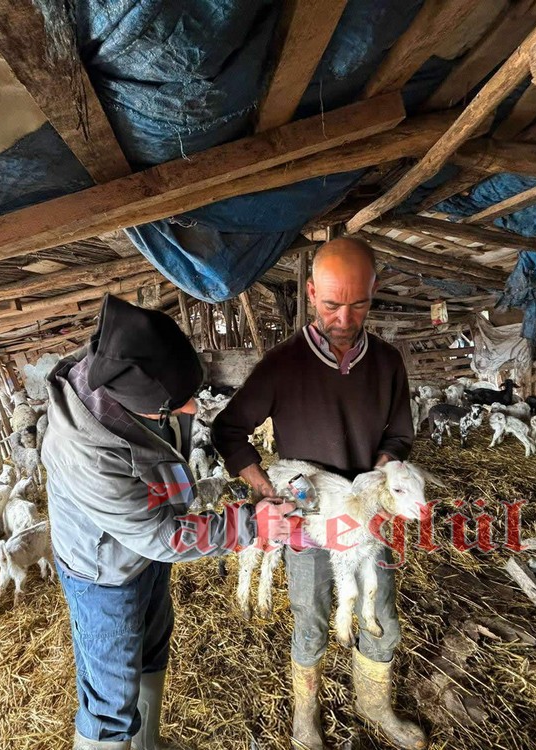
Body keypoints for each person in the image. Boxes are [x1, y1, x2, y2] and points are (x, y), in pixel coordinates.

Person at [42, 294, 293, 750]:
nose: (193, 410)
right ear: (134, 403)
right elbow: (160, 537)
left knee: (153, 648)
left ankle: (147, 744)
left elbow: (159, 530)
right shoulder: (86, 452)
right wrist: (251, 524)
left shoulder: (130, 366)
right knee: (111, 697)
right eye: (173, 406)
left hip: (150, 549)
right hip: (105, 574)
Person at [212, 238, 426, 749]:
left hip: (368, 518)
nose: (344, 319)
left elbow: (400, 435)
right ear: (310, 293)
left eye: (359, 304)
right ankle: (305, 717)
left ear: (374, 292)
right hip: (307, 517)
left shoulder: (387, 362)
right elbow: (228, 430)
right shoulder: (284, 364)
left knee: (377, 607)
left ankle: (374, 704)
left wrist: (380, 480)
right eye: (331, 304)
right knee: (310, 613)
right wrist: (268, 492)